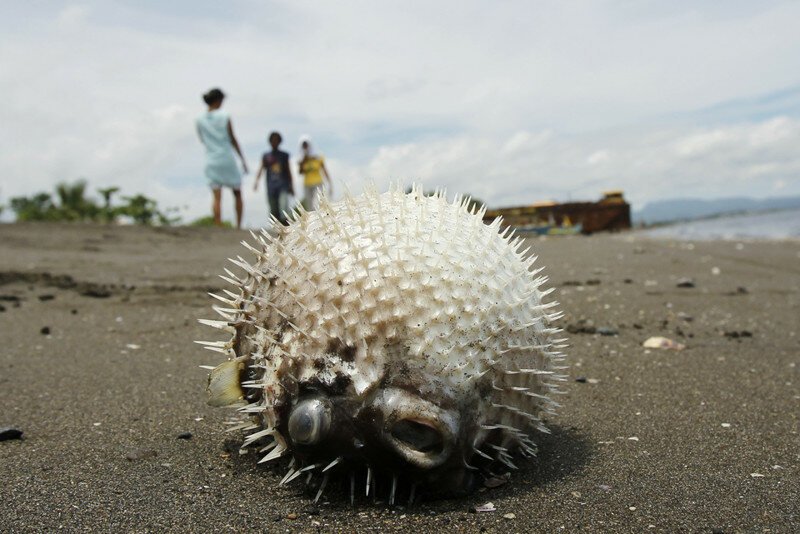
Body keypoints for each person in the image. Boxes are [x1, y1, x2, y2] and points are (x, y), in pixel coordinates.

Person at [195, 88, 248, 229]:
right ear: (218, 100)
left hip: (211, 159)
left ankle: (218, 224)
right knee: (237, 191)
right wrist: (242, 159)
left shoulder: (199, 119)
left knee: (216, 196)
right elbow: (232, 138)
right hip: (226, 157)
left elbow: (201, 139)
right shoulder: (224, 116)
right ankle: (238, 225)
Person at [253, 132, 294, 225]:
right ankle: (277, 231)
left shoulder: (284, 155)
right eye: (273, 140)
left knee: (283, 208)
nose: (274, 142)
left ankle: (287, 229)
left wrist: (291, 186)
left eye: (276, 140)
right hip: (271, 186)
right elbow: (261, 168)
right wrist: (256, 181)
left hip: (283, 185)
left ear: (279, 141)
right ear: (270, 142)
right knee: (273, 210)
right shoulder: (266, 156)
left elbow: (288, 171)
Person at [297, 135, 333, 210]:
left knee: (318, 201)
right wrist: (304, 159)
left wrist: (329, 182)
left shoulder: (318, 157)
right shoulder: (301, 159)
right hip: (307, 185)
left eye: (306, 145)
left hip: (318, 183)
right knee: (310, 206)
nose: (305, 147)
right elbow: (300, 172)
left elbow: (324, 170)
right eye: (304, 145)